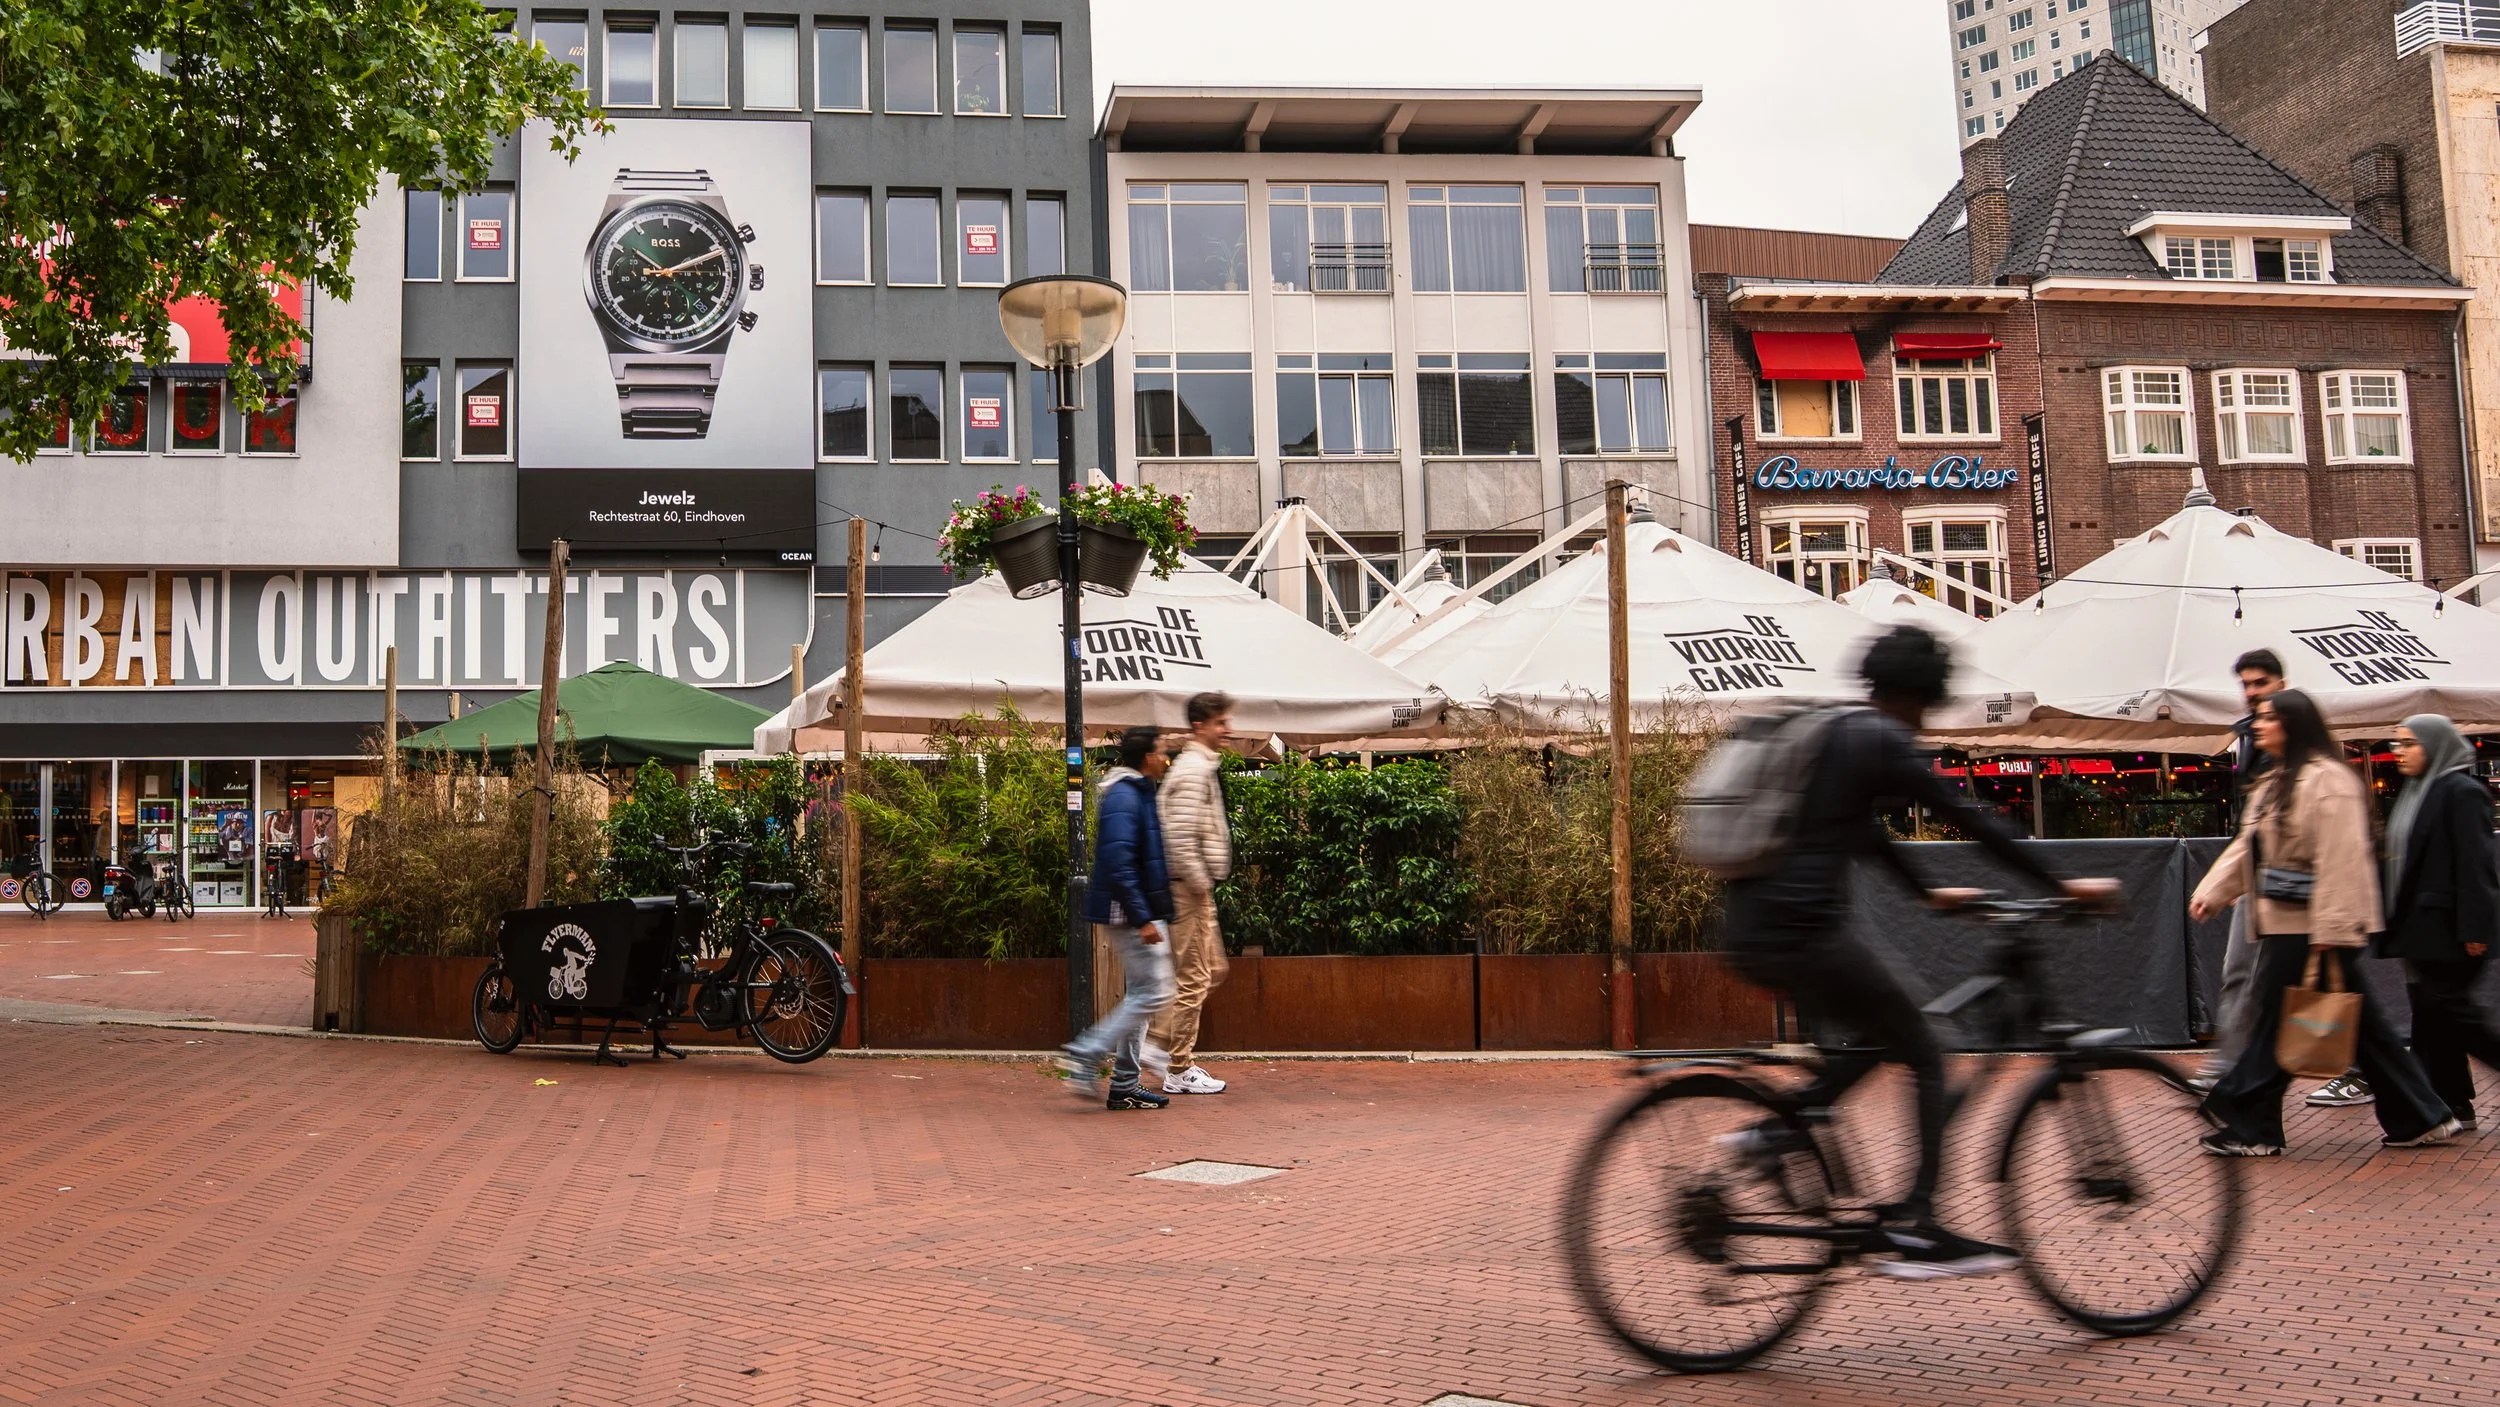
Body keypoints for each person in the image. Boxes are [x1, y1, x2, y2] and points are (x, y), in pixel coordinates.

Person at [1720, 625, 2114, 1278]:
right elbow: (1971, 817)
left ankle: (1773, 1131)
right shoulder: (1881, 738)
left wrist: (1931, 893)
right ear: (1921, 693)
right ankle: (1918, 1222)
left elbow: (1865, 831)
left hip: (1755, 927)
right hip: (1804, 931)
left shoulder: (1843, 731)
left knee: (1878, 1041)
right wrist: (2063, 882)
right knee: (1927, 1049)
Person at [2187, 689, 2459, 1155]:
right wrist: (2213, 892)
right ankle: (2421, 1117)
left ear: (2294, 725)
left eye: (2269, 718)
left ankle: (2253, 1126)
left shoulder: (2327, 781)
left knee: (2276, 1028)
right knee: (2365, 1033)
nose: (2259, 725)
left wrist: (2330, 934)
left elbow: (2342, 860)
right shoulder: (2278, 781)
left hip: (2313, 929)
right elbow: (2249, 847)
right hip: (2294, 925)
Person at [2377, 714, 2500, 1132]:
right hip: (2421, 929)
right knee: (2435, 1020)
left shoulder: (2462, 792)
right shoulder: (2417, 791)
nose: (2400, 751)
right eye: (2397, 743)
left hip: (2448, 930)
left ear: (2435, 745)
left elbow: (2476, 864)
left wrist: (2474, 929)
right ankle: (2452, 1103)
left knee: (2454, 1015)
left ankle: (2442, 1104)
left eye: (2410, 743)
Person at [1056, 727, 1179, 1111]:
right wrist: (1143, 918)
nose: (1166, 758)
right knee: (1155, 993)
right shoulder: (1126, 796)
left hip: (1139, 909)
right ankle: (1085, 1053)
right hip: (1130, 912)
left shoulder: (1137, 792)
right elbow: (1119, 859)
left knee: (1143, 994)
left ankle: (1125, 1081)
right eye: (1162, 751)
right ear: (1147, 757)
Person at [2194, 649, 2287, 1092]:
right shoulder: (2250, 737)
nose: (2250, 693)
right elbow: (2250, 828)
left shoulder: (2295, 743)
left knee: (2316, 984)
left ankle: (2234, 1073)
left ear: (2280, 685)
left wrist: (2223, 884)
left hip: (2288, 886)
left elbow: (2261, 830)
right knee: (2242, 973)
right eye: (2246, 684)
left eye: (2260, 684)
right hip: (2263, 880)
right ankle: (2230, 1067)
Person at [1150, 692, 1235, 1096]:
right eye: (1221, 722)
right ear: (1200, 726)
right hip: (1189, 888)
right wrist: (1200, 883)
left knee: (1212, 969)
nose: (1228, 729)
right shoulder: (1191, 771)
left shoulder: (1198, 766)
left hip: (1194, 886)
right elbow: (1180, 838)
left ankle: (1157, 1042)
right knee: (1196, 976)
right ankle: (1176, 1065)